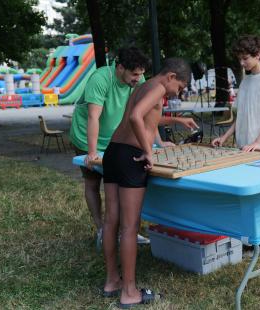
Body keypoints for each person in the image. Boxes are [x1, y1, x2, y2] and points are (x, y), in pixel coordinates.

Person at [69, 47, 197, 250]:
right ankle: (102, 228)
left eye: (141, 73)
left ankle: (122, 232)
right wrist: (92, 152)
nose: (139, 78)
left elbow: (148, 116)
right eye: (134, 74)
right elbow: (94, 117)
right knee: (93, 182)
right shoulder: (100, 79)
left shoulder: (143, 81)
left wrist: (159, 142)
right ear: (120, 68)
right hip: (88, 137)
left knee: (118, 202)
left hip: (116, 142)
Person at [102, 57, 191, 307]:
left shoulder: (144, 85)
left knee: (111, 220)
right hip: (130, 157)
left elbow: (147, 117)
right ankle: (129, 293)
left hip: (113, 153)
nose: (177, 93)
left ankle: (112, 281)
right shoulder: (161, 88)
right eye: (180, 88)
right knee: (130, 227)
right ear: (171, 77)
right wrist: (148, 150)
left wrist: (176, 120)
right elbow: (135, 117)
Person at [211, 34, 260, 257]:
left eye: (245, 59)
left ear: (258, 55)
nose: (242, 63)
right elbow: (239, 117)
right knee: (243, 197)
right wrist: (224, 137)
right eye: (240, 59)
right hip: (242, 148)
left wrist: (256, 143)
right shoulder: (246, 80)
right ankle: (248, 242)